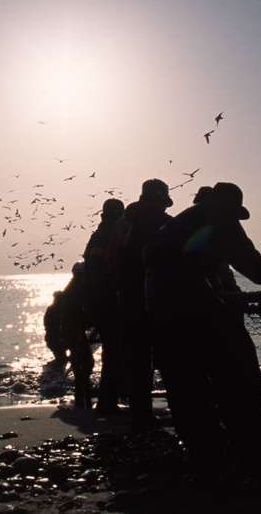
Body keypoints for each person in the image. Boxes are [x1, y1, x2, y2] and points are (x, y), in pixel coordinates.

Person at [144, 183, 261, 451]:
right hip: (181, 287)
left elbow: (199, 262)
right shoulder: (218, 212)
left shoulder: (189, 218)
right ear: (230, 204)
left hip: (155, 290)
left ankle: (198, 439)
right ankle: (251, 435)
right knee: (237, 354)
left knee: (182, 365)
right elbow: (248, 259)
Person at [107, 179, 173, 430]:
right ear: (160, 200)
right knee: (167, 357)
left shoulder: (120, 224)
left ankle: (140, 415)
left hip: (123, 299)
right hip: (151, 298)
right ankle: (181, 409)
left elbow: (109, 260)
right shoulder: (164, 223)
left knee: (135, 361)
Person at [82, 198, 126, 413]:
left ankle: (108, 399)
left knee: (111, 349)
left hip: (93, 302)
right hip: (108, 302)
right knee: (115, 351)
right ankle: (108, 402)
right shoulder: (116, 234)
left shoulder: (96, 235)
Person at [60, 262, 96, 406]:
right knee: (85, 361)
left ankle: (81, 391)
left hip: (68, 331)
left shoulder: (70, 288)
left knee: (79, 361)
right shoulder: (77, 290)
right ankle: (82, 391)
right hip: (73, 331)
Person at [44, 290, 70, 364]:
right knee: (61, 356)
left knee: (61, 356)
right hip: (55, 337)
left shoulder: (56, 308)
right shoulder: (55, 308)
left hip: (56, 337)